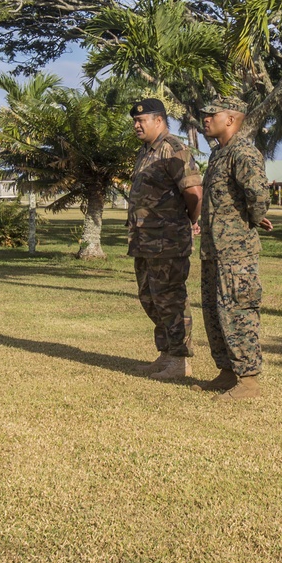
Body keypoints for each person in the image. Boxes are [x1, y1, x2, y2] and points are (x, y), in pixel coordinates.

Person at [195, 97, 272, 401]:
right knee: (215, 313)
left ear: (230, 119)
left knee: (238, 312)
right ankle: (227, 372)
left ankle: (248, 380)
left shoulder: (243, 152)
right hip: (214, 250)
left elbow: (258, 194)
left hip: (236, 252)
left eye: (211, 114)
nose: (205, 119)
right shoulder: (218, 155)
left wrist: (249, 222)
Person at [127, 98, 202, 380]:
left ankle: (181, 361)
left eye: (141, 121)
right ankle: (166, 353)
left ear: (158, 120)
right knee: (150, 298)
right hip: (144, 240)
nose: (136, 125)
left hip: (168, 241)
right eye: (135, 121)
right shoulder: (146, 151)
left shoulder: (174, 149)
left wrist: (191, 221)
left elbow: (194, 193)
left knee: (171, 299)